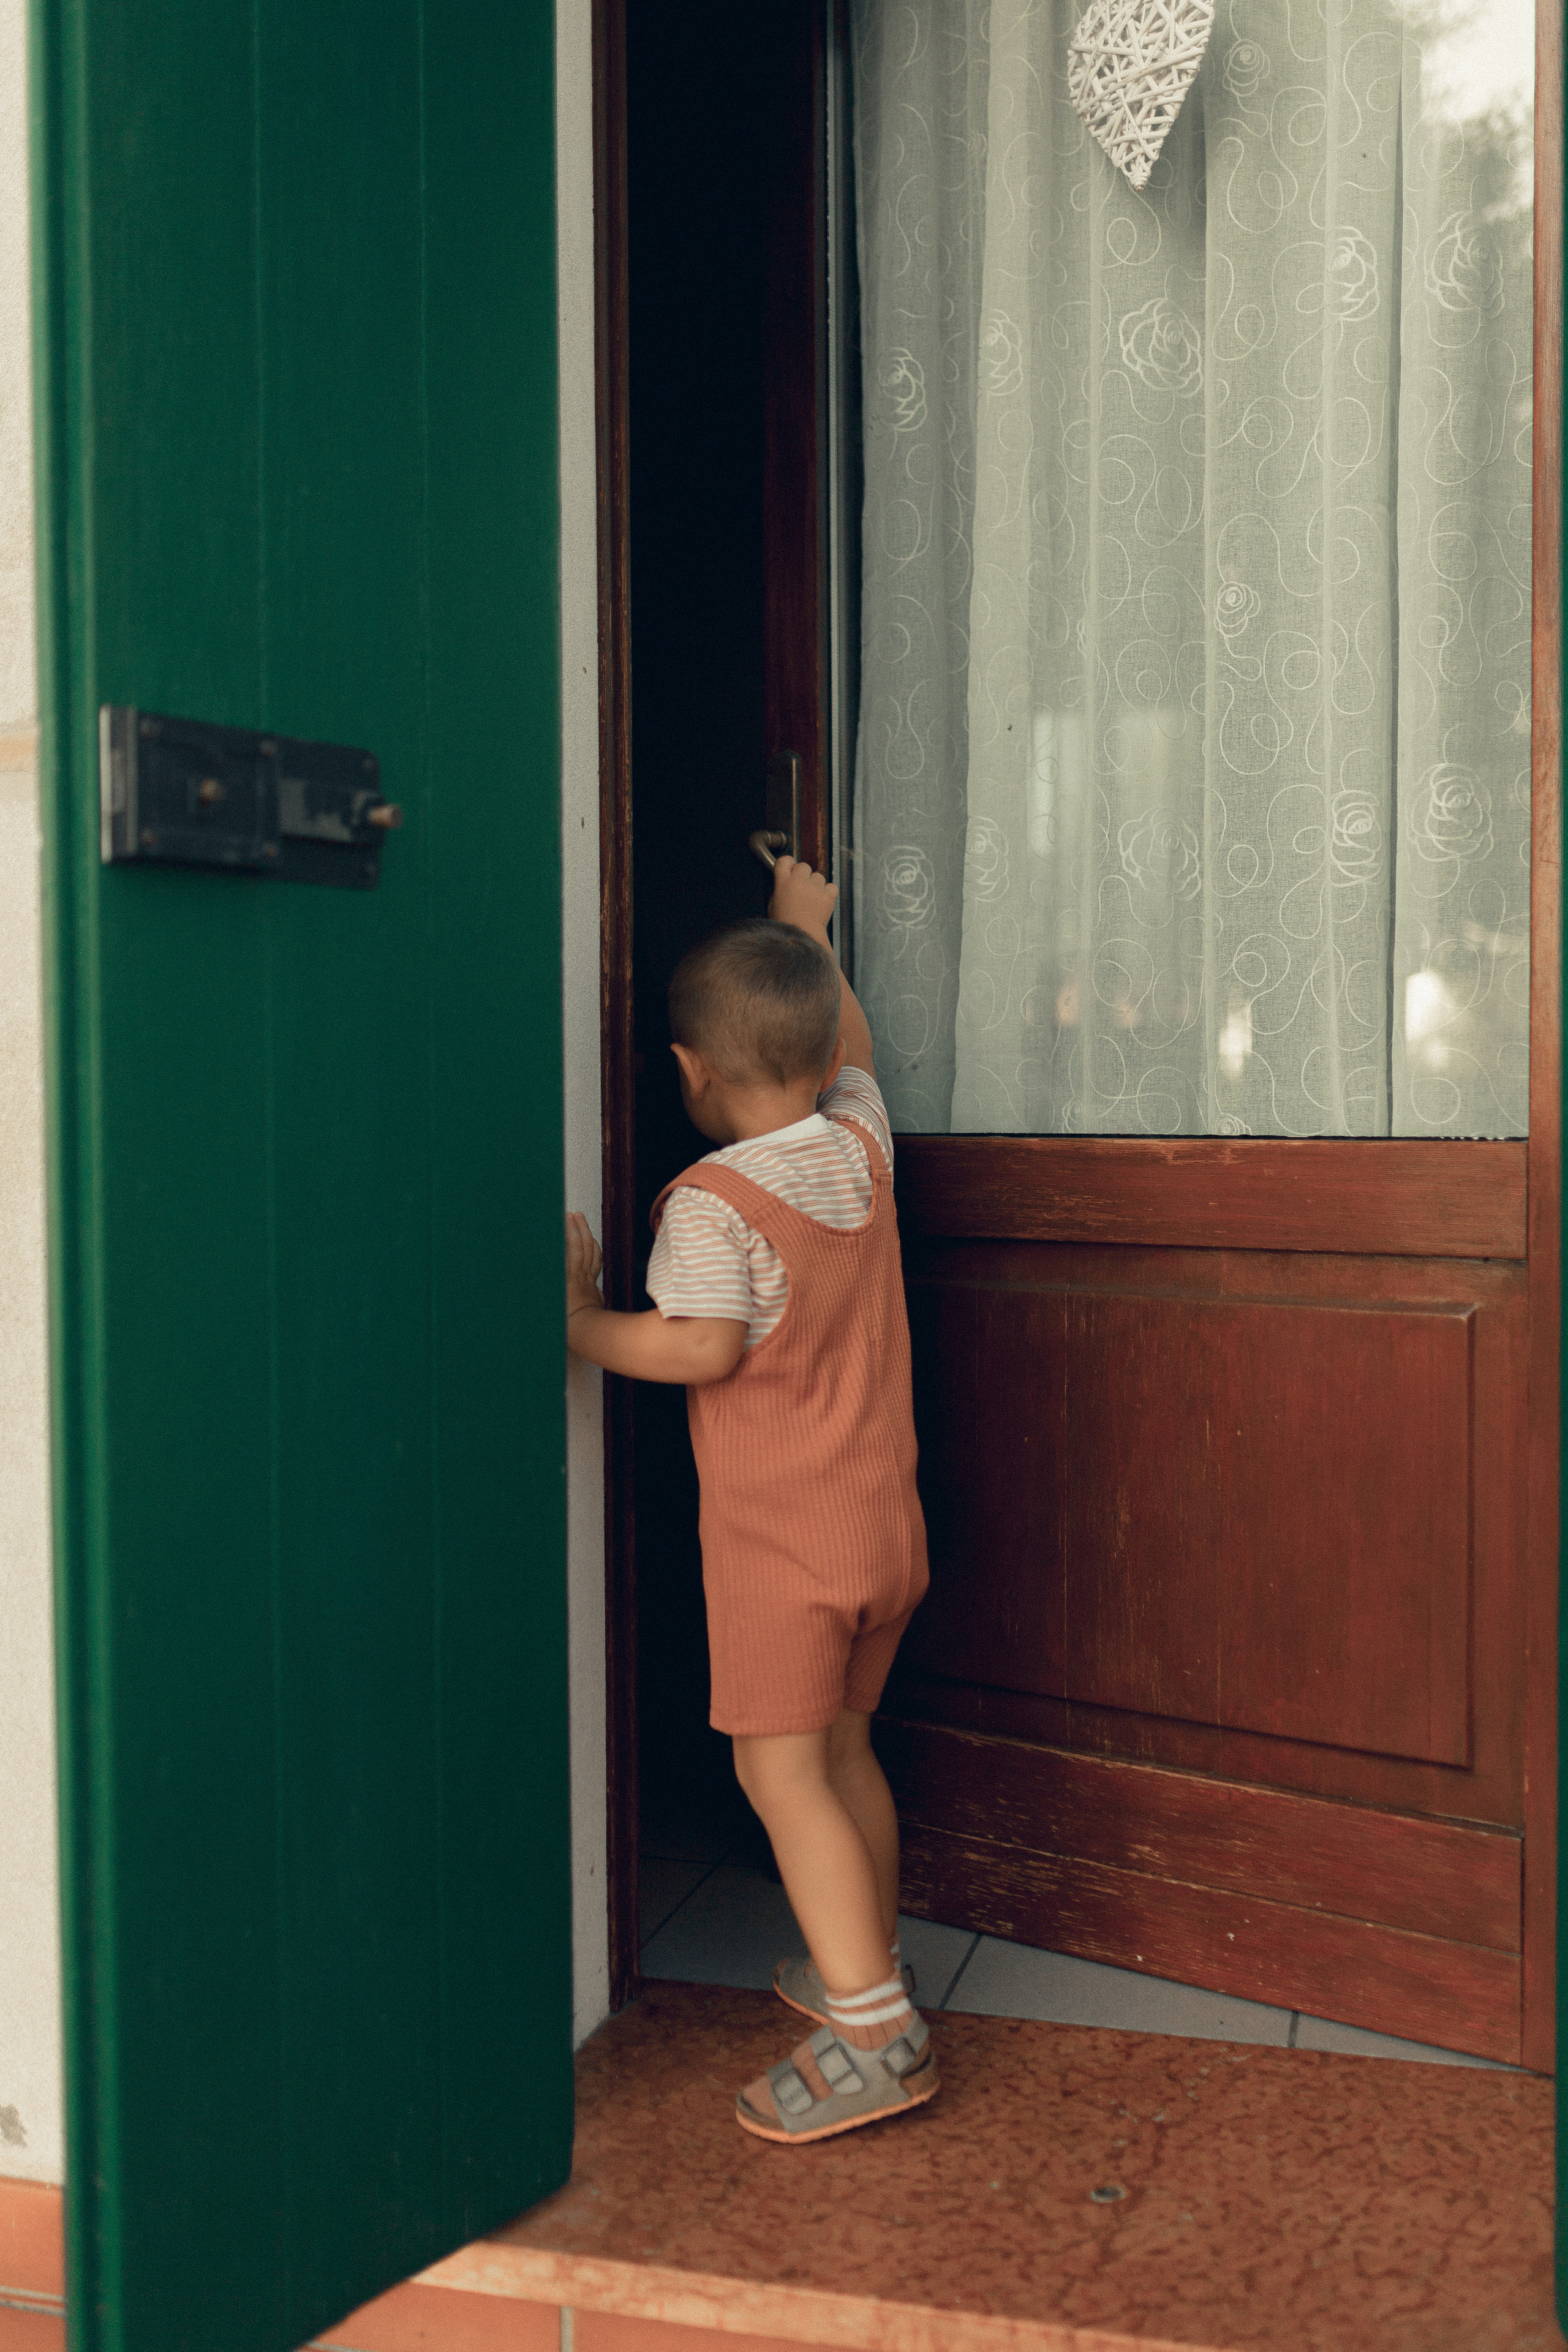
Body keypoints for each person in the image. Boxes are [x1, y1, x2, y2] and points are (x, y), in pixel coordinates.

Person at [565, 856, 934, 2144]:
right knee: (842, 1755)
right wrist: (804, 932)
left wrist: (577, 1320)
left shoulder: (708, 1208)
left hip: (787, 1555)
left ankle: (875, 2032)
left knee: (775, 1774)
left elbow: (697, 1349)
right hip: (886, 1534)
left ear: (688, 1071)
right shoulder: (857, 1145)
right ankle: (860, 1968)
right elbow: (853, 1046)